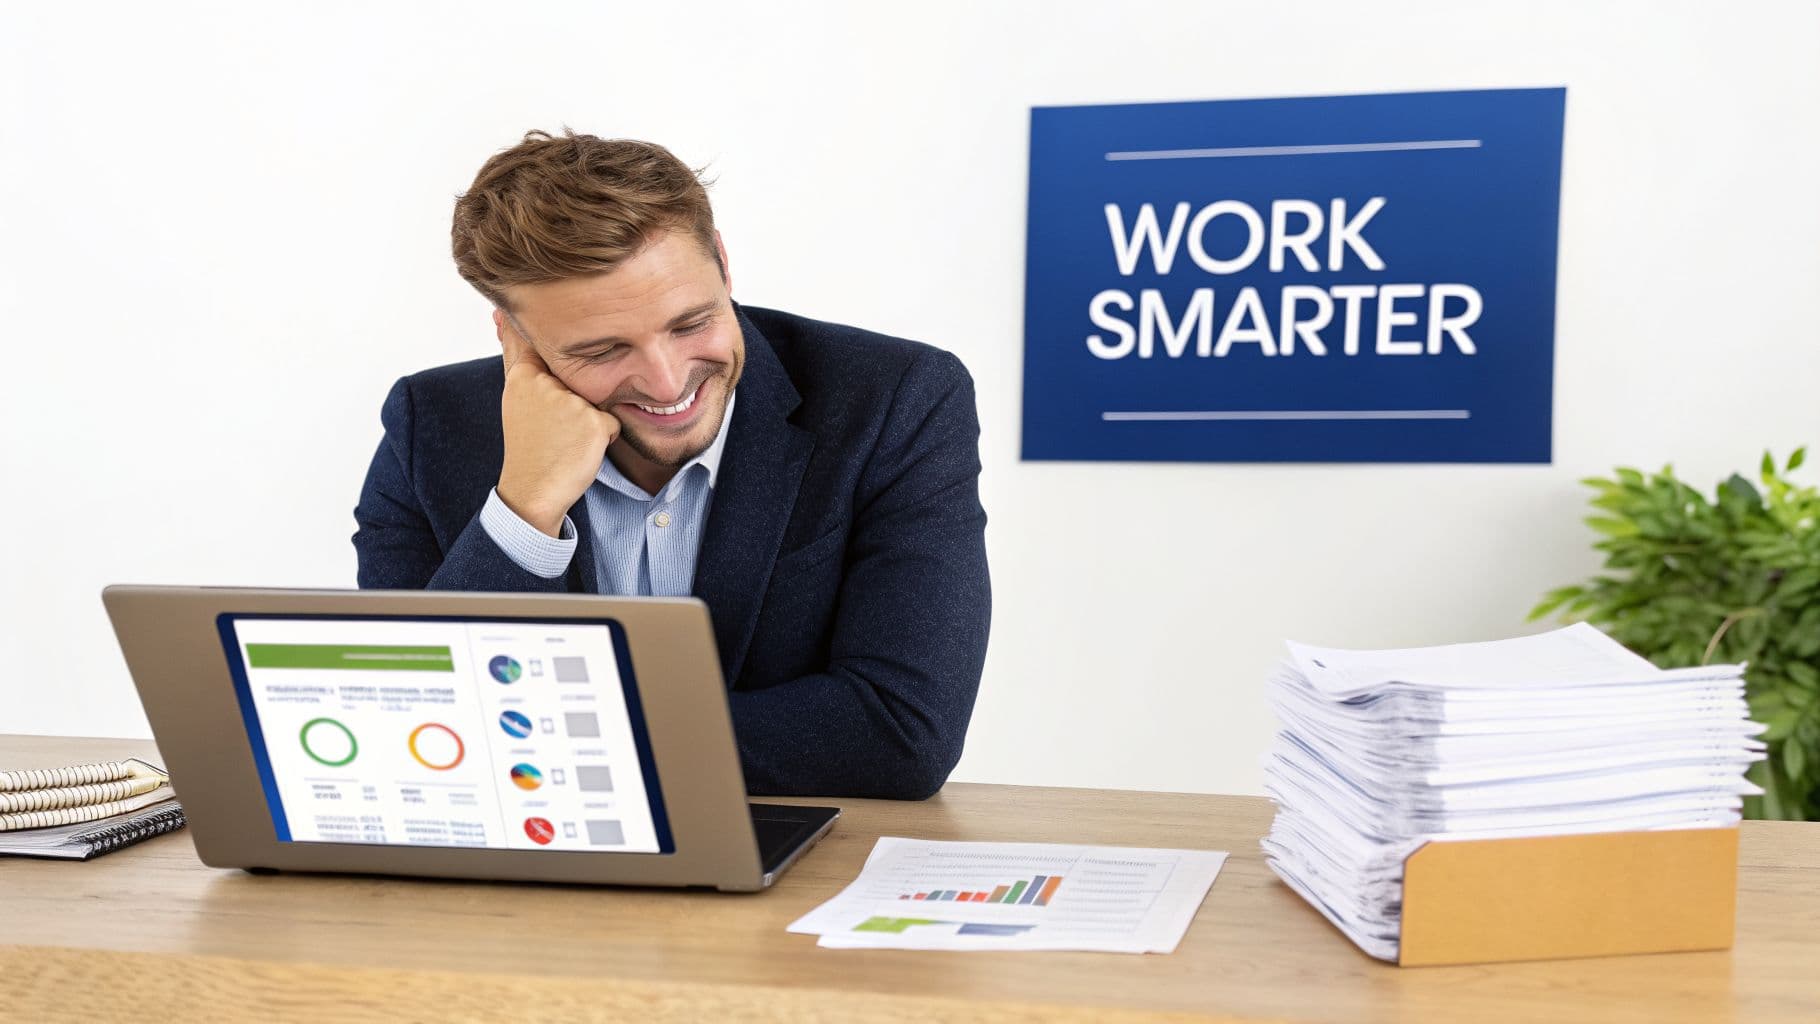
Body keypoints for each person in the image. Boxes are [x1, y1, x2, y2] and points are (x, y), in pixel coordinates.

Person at [352, 130, 991, 799]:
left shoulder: (896, 399)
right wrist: (525, 509)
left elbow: (900, 734)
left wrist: (551, 736)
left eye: (690, 324)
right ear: (515, 338)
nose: (666, 382)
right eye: (602, 351)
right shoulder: (431, 425)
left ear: (721, 262)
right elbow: (413, 724)